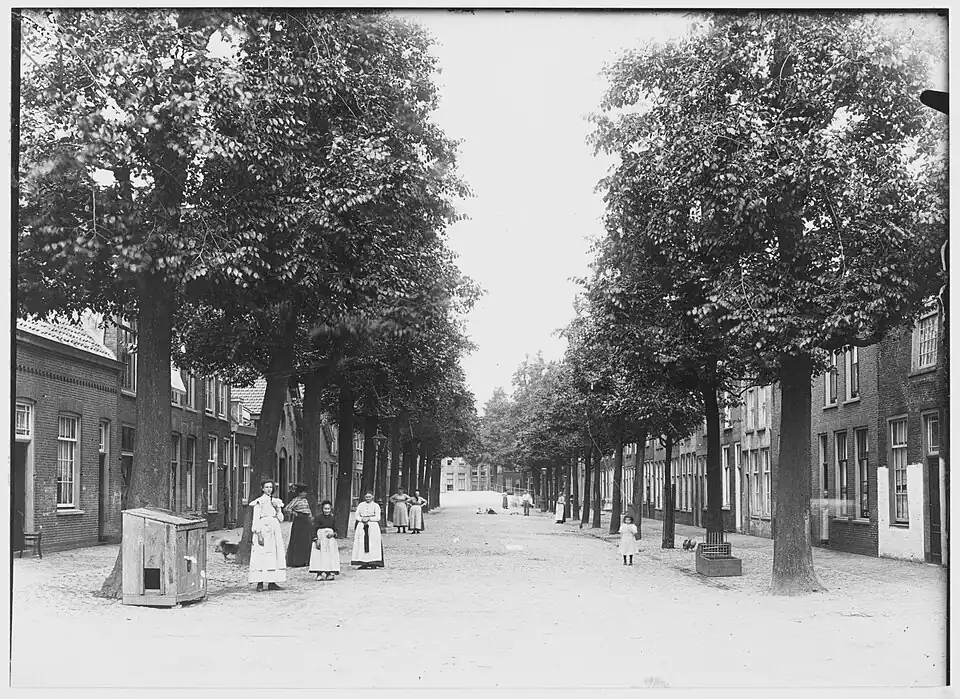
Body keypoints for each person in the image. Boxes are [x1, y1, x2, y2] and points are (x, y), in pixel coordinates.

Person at [249, 479, 286, 592]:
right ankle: (260, 582)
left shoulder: (276, 501)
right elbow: (255, 520)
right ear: (262, 488)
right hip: (263, 529)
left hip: (274, 530)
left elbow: (281, 519)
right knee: (262, 555)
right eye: (266, 487)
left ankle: (272, 582)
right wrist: (259, 534)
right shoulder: (259, 502)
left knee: (274, 555)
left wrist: (277, 509)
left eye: (270, 487)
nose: (269, 489)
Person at [309, 500, 340, 581]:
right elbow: (314, 529)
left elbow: (337, 529)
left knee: (329, 555)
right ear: (322, 509)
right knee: (319, 555)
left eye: (328, 509)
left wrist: (333, 534)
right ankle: (319, 573)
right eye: (325, 509)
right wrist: (316, 540)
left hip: (330, 540)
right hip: (321, 538)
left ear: (330, 509)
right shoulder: (318, 518)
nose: (327, 510)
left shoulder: (333, 518)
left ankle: (329, 573)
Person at [351, 492, 384, 569]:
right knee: (361, 543)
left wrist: (369, 518)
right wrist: (362, 519)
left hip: (373, 526)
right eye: (367, 497)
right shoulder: (361, 505)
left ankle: (373, 562)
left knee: (373, 543)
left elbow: (378, 517)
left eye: (369, 497)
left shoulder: (376, 506)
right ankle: (363, 562)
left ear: (372, 497)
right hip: (362, 525)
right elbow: (357, 515)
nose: (368, 498)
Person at [284, 484, 313, 567]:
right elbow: (286, 508)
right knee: (299, 540)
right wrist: (294, 513)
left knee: (307, 540)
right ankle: (297, 561)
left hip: (306, 521)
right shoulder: (296, 500)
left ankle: (306, 560)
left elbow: (308, 510)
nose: (305, 494)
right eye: (304, 492)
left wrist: (311, 517)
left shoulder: (305, 500)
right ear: (300, 493)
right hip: (299, 522)